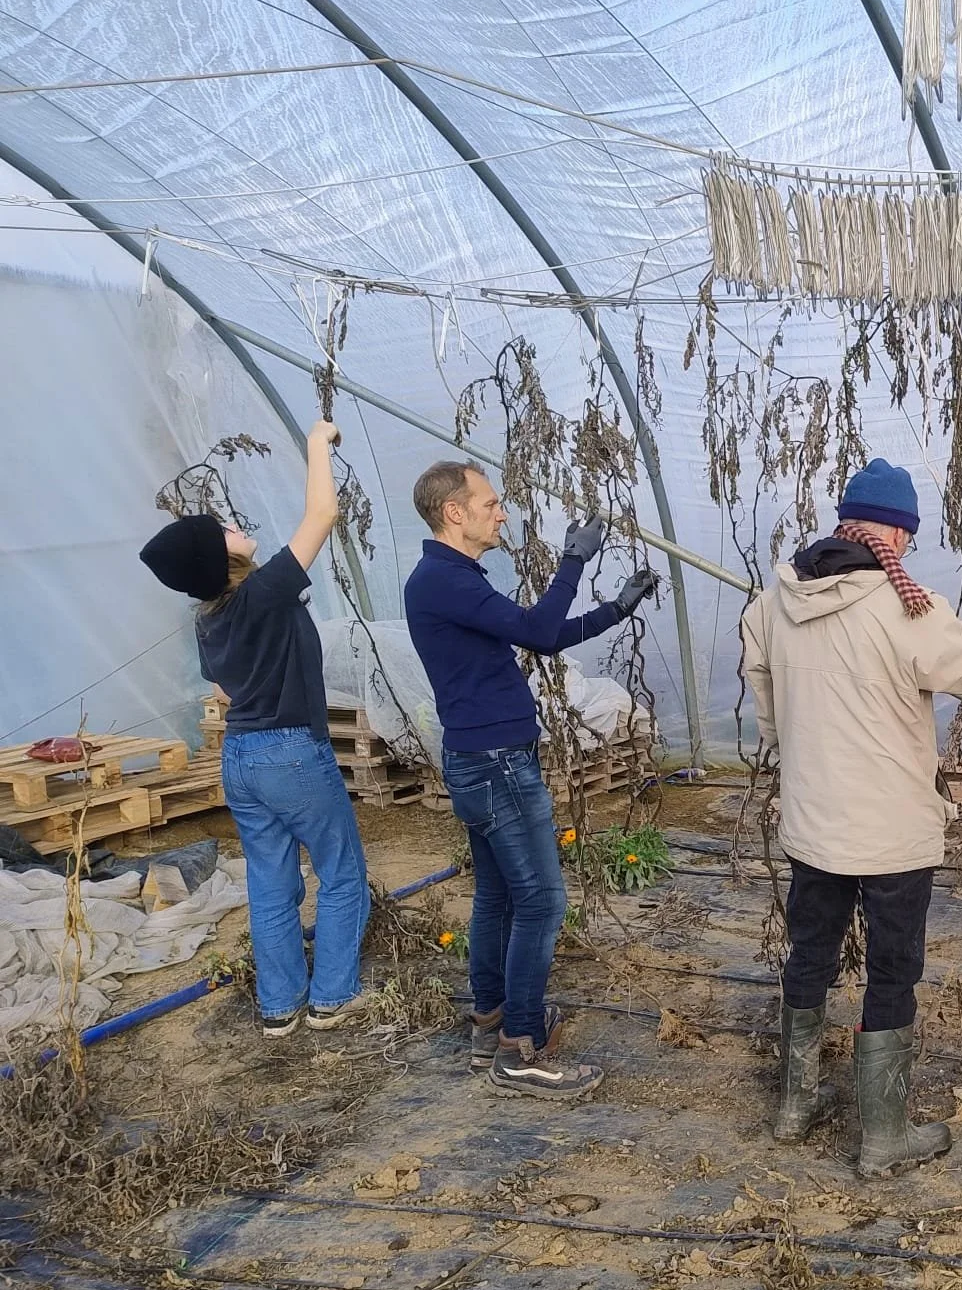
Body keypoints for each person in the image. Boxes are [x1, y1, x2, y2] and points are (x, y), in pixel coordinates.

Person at [741, 458, 962, 1178]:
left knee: (810, 955)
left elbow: (765, 701)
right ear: (897, 534)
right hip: (892, 832)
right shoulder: (905, 605)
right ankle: (884, 1137)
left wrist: (796, 747)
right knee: (893, 971)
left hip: (814, 825)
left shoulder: (773, 601)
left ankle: (793, 1108)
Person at [403, 460, 658, 1100]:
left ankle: (490, 1020)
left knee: (498, 896)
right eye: (489, 502)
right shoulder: (443, 580)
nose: (501, 512)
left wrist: (616, 609)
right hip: (495, 764)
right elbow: (542, 629)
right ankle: (521, 1050)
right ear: (454, 512)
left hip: (485, 760)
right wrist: (572, 562)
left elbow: (539, 636)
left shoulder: (453, 580)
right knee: (543, 901)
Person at [140, 417, 371, 1038]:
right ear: (221, 555)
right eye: (224, 530)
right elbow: (321, 515)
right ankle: (331, 998)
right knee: (342, 869)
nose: (235, 527)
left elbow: (221, 687)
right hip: (292, 752)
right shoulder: (263, 594)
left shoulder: (208, 618)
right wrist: (318, 442)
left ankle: (278, 1007)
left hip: (240, 757)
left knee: (271, 884)